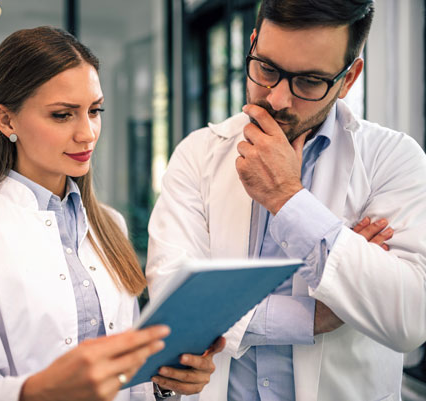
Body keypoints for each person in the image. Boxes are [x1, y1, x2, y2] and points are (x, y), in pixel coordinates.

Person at [0, 27, 223, 401]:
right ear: (6, 120)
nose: (88, 133)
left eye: (94, 111)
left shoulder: (110, 224)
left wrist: (163, 384)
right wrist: (43, 389)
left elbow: (125, 374)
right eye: (63, 115)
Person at [146, 1, 426, 400]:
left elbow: (408, 319)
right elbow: (176, 310)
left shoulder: (393, 159)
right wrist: (315, 314)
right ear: (253, 43)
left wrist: (287, 199)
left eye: (309, 81)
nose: (277, 99)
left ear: (349, 79)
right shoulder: (197, 154)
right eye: (267, 70)